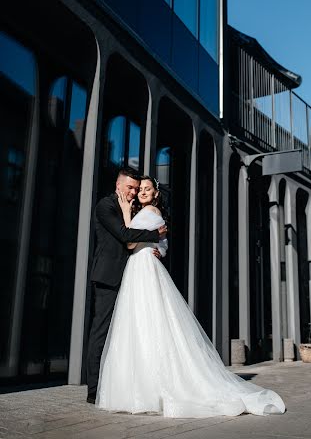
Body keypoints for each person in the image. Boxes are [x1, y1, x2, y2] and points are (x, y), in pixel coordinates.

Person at [96, 176, 285, 418]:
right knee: (149, 322)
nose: (142, 192)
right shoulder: (151, 214)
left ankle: (143, 389)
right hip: (142, 267)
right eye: (139, 189)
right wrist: (158, 247)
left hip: (141, 267)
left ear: (155, 194)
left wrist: (124, 211)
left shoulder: (148, 211)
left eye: (147, 189)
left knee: (141, 322)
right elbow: (162, 244)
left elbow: (131, 243)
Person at [86, 168, 167, 404]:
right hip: (108, 277)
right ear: (118, 185)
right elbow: (125, 234)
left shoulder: (134, 209)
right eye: (130, 188)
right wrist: (156, 234)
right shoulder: (106, 206)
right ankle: (94, 390)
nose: (133, 192)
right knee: (101, 332)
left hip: (131, 277)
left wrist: (159, 248)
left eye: (137, 188)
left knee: (126, 333)